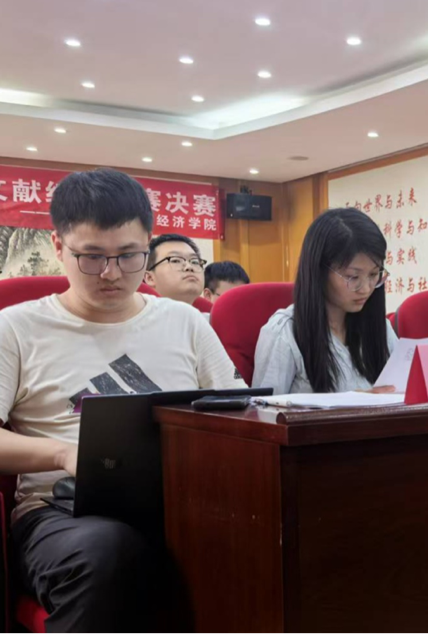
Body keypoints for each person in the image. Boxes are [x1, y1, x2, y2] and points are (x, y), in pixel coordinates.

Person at [0, 168, 245, 634]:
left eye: (129, 256)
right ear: (58, 247)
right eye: (91, 256)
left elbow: (239, 413)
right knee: (107, 550)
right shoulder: (15, 328)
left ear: (147, 247)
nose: (111, 274)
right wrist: (62, 453)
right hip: (62, 513)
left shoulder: (185, 322)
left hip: (179, 499)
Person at [253, 208, 397, 394]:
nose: (366, 288)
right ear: (319, 271)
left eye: (373, 275)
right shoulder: (285, 333)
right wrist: (355, 403)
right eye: (353, 277)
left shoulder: (381, 329)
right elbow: (264, 409)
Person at [143, 233, 206, 305]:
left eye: (195, 262)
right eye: (176, 261)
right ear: (150, 278)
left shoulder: (209, 312)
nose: (189, 267)